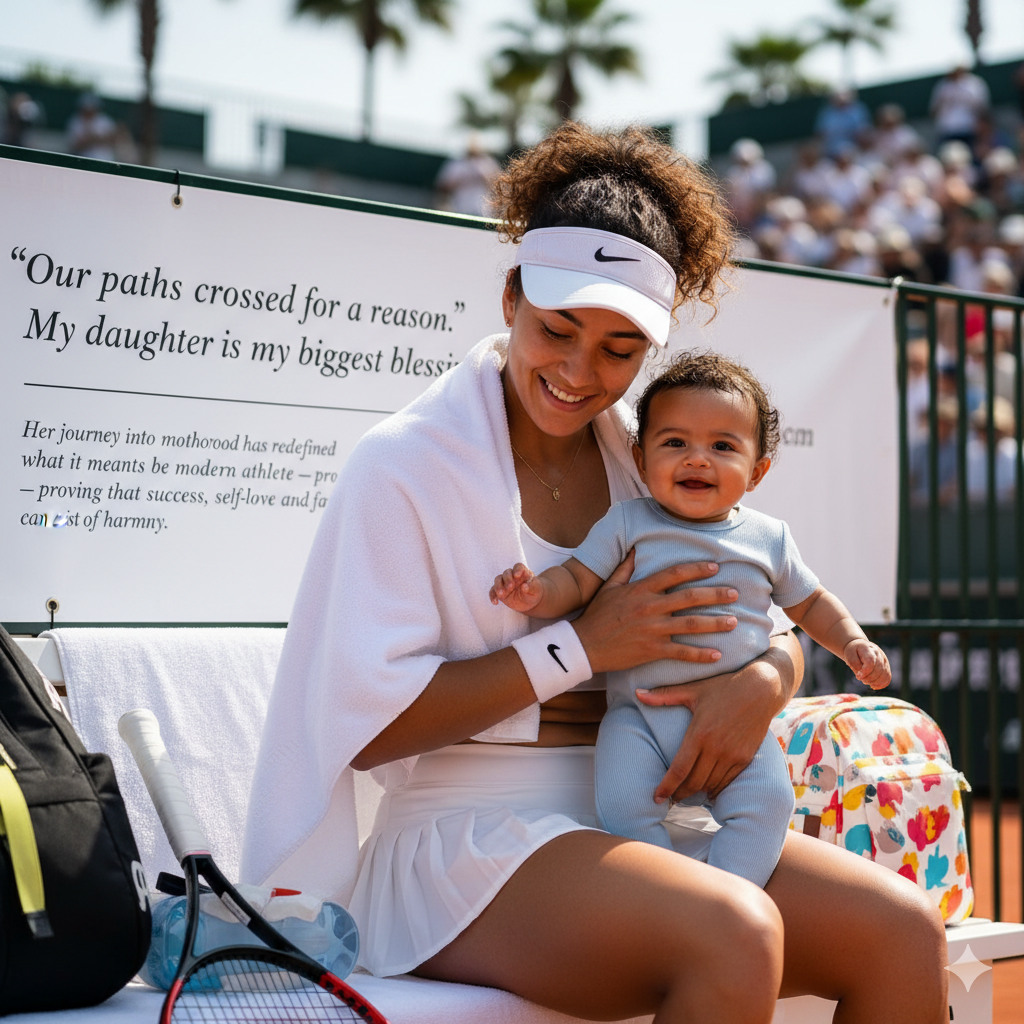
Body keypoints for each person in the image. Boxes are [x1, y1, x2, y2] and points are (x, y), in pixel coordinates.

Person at [242, 123, 948, 1023]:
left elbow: (763, 616)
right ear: (511, 297)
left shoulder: (641, 460)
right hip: (461, 841)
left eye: (618, 350)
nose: (579, 373)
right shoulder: (402, 465)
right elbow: (362, 729)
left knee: (903, 932)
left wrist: (770, 680)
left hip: (640, 814)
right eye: (558, 330)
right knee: (733, 928)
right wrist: (579, 647)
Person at [489, 351, 891, 886]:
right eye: (675, 443)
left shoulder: (769, 538)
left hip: (738, 727)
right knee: (623, 808)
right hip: (638, 720)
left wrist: (853, 643)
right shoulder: (627, 523)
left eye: (723, 447)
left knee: (769, 804)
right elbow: (577, 582)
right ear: (640, 458)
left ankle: (725, 892)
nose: (697, 459)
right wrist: (535, 593)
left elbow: (810, 604)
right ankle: (674, 892)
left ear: (758, 471)